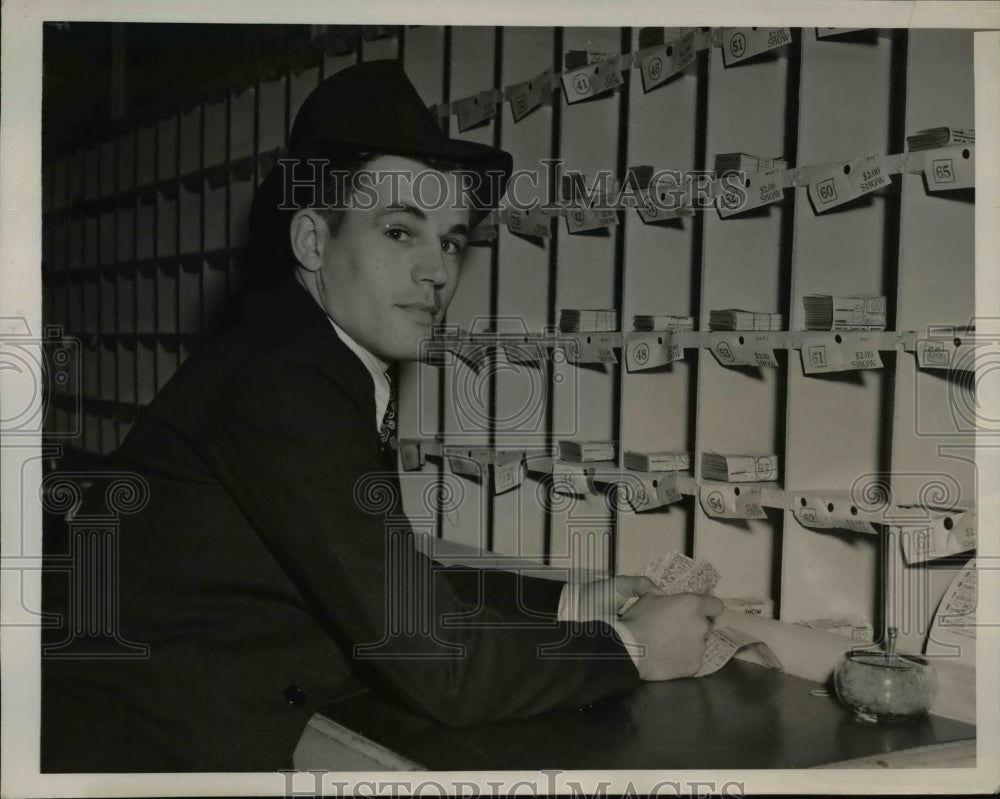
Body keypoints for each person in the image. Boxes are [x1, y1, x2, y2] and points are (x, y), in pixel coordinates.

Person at [41, 60, 723, 773]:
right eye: (401, 232)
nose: (437, 271)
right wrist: (635, 649)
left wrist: (572, 600)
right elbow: (445, 672)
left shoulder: (303, 354)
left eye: (452, 240)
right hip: (122, 757)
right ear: (312, 242)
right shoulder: (286, 382)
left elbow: (386, 580)